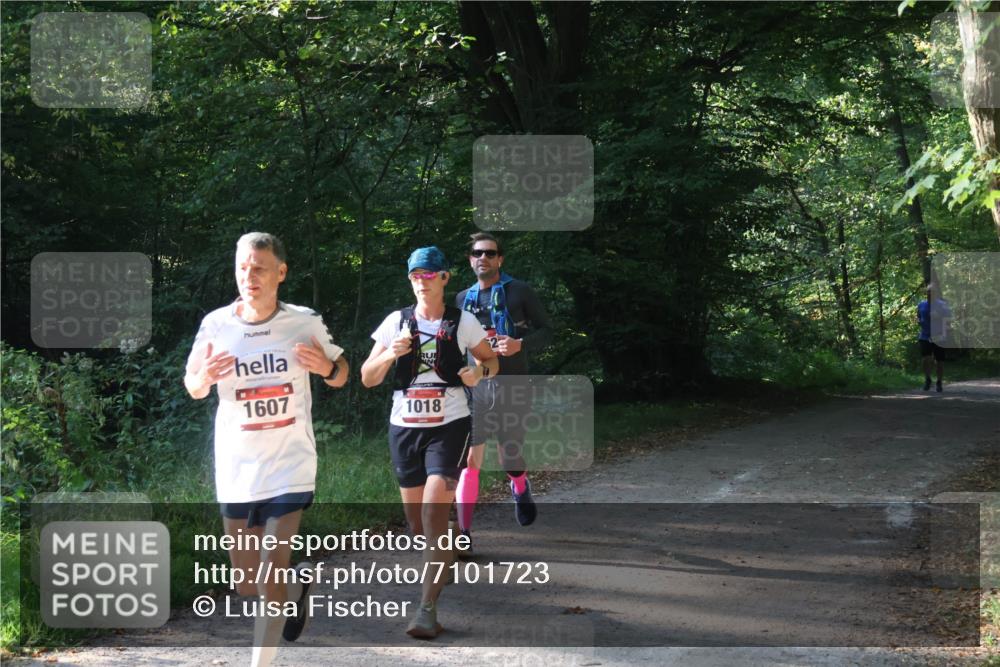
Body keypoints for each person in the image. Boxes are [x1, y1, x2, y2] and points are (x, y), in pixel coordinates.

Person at [184, 232, 348, 667]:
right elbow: (193, 385)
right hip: (238, 467)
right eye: (242, 267)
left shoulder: (304, 322)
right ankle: (295, 588)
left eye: (258, 267)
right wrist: (204, 379)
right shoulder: (216, 324)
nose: (248, 276)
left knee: (270, 568)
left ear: (280, 272)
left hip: (289, 464)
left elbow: (342, 371)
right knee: (246, 583)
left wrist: (327, 368)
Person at [361, 246, 498, 639]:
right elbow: (368, 378)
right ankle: (447, 552)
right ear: (410, 280)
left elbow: (491, 362)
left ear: (444, 278)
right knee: (418, 526)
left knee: (434, 513)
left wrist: (477, 372)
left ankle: (426, 610)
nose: (422, 282)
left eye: (429, 275)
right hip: (404, 426)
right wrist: (389, 354)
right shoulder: (396, 322)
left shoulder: (463, 321)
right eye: (415, 276)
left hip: (449, 424)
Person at [454, 232, 552, 553]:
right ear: (470, 259)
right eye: (477, 253)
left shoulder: (519, 291)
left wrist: (519, 344)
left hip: (512, 384)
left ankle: (519, 484)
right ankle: (464, 532)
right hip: (475, 389)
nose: (483, 258)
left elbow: (548, 331)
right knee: (470, 460)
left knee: (510, 453)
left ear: (500, 259)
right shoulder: (460, 300)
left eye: (490, 253)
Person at [918, 281, 952, 393]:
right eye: (928, 292)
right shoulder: (921, 304)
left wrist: (939, 318)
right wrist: (920, 322)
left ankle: (939, 382)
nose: (929, 294)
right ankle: (927, 379)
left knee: (939, 361)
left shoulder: (942, 305)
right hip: (925, 335)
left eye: (932, 292)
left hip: (939, 336)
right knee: (925, 358)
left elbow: (949, 321)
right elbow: (919, 316)